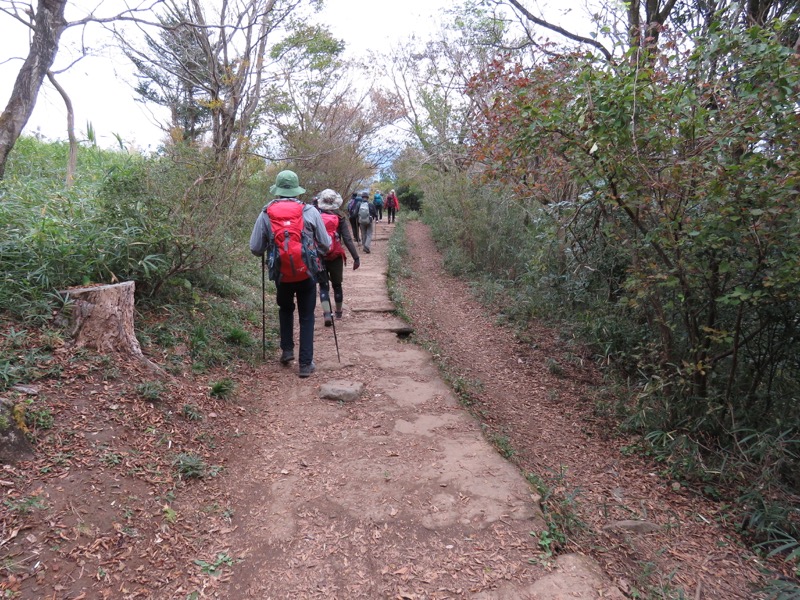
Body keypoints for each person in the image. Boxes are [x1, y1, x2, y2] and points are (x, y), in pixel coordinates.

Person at [249, 170, 331, 378]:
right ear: (296, 189)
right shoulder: (310, 211)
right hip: (307, 273)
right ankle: (305, 364)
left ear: (277, 190)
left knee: (285, 309)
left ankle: (287, 350)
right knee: (306, 316)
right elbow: (326, 243)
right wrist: (315, 253)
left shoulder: (266, 213)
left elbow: (255, 247)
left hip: (281, 274)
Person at [316, 189, 360, 326]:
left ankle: (327, 314)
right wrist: (356, 257)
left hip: (320, 256)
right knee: (337, 285)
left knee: (323, 286)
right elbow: (347, 239)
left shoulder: (316, 216)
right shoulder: (340, 218)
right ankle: (339, 312)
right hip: (336, 255)